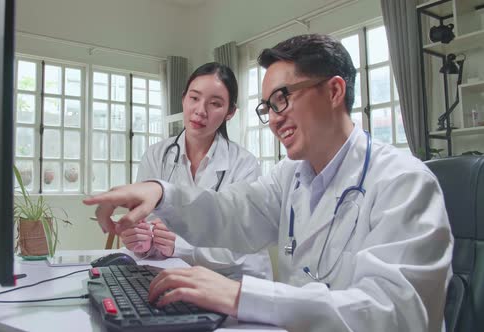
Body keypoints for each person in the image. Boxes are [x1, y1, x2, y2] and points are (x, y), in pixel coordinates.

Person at [84, 34, 453, 331]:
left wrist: (243, 295)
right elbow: (230, 213)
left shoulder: (405, 183)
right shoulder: (289, 175)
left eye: (282, 99)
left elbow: (393, 314)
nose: (274, 119)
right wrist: (161, 191)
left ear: (334, 91)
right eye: (267, 107)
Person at [121, 62, 272, 281]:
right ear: (183, 98)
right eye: (194, 98)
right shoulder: (156, 156)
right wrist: (142, 243)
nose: (200, 111)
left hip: (236, 281)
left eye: (215, 104)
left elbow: (239, 244)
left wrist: (180, 245)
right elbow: (148, 224)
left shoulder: (244, 165)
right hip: (179, 276)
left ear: (230, 112)